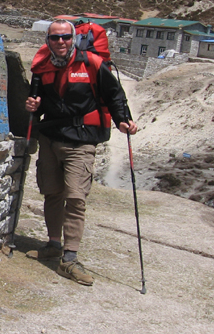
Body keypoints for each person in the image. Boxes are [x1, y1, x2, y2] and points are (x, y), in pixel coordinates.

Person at [25, 19, 138, 285]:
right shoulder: (42, 67)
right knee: (52, 193)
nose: (60, 42)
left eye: (65, 37)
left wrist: (123, 120)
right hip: (51, 139)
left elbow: (115, 94)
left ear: (73, 38)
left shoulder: (92, 64)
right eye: (55, 38)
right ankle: (53, 245)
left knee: (75, 198)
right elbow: (37, 102)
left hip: (81, 141)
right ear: (47, 41)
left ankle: (70, 258)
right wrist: (32, 106)